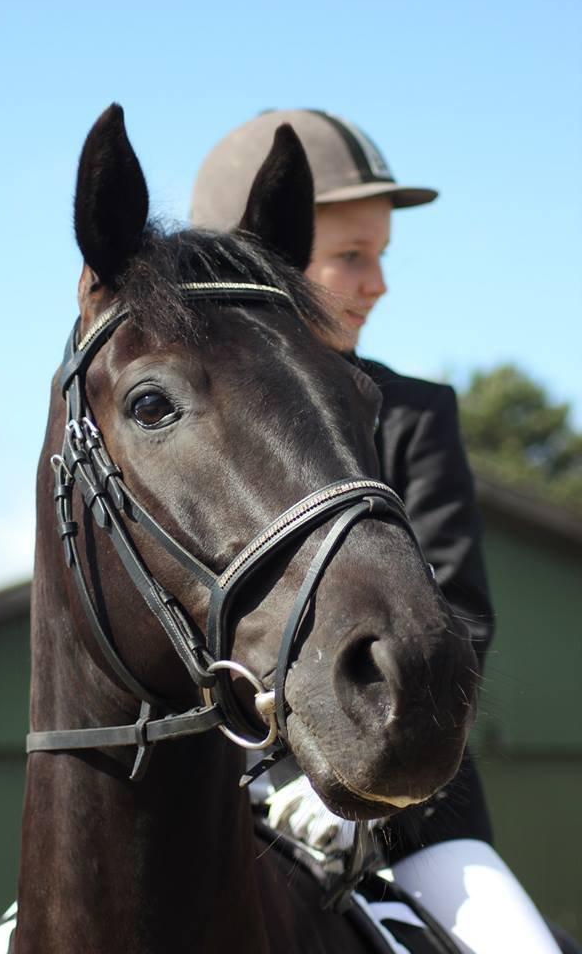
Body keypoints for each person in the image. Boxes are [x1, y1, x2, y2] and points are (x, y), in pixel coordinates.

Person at [190, 108, 564, 954]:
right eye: (351, 257)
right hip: (196, 805)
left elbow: (458, 619)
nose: (378, 284)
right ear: (259, 260)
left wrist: (328, 777)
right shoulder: (183, 439)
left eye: (382, 256)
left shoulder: (417, 416)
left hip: (410, 817)